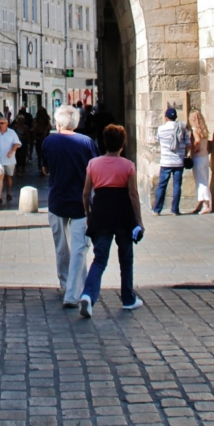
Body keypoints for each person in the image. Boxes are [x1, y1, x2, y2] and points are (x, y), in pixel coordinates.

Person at [79, 124, 144, 317]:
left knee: (100, 259)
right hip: (123, 214)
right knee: (126, 257)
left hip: (101, 211)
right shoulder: (128, 166)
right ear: (122, 144)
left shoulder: (93, 164)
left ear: (104, 143)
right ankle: (128, 297)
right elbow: (133, 194)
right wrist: (139, 221)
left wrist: (89, 214)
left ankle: (88, 295)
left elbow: (85, 193)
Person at [41, 105, 98, 307]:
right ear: (75, 123)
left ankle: (65, 282)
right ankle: (74, 292)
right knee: (79, 248)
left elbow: (45, 169)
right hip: (81, 202)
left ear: (57, 123)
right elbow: (95, 171)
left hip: (57, 199)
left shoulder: (49, 141)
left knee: (61, 246)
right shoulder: (87, 142)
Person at [153, 106, 190, 215]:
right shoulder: (183, 128)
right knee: (177, 185)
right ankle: (175, 210)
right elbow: (188, 144)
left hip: (166, 161)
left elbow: (157, 140)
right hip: (179, 161)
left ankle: (157, 210)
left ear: (166, 117)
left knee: (162, 185)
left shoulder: (161, 129)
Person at [0, 116, 20, 204]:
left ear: (7, 124)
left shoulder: (12, 132)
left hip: (9, 160)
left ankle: (8, 192)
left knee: (8, 178)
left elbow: (16, 143)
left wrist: (11, 151)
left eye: (2, 123)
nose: (0, 125)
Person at [189, 108, 213, 214]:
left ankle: (206, 204)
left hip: (198, 157)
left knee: (201, 182)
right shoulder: (204, 130)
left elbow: (197, 141)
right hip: (205, 157)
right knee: (205, 179)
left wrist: (193, 149)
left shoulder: (195, 130)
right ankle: (202, 203)